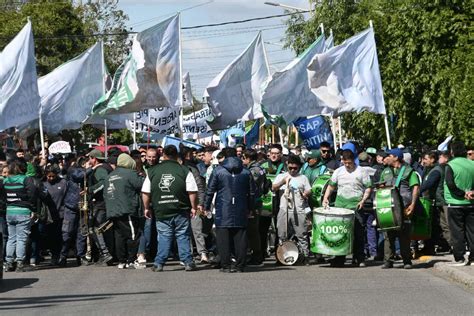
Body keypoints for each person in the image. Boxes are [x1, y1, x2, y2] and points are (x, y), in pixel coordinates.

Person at [142, 145, 198, 272]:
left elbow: (145, 192)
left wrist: (146, 208)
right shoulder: (184, 170)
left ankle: (159, 263)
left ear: (163, 155)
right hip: (180, 208)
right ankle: (187, 261)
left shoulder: (152, 171)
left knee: (164, 236)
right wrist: (194, 207)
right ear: (176, 155)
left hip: (161, 208)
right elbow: (192, 191)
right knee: (182, 235)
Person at [204, 147, 256, 272]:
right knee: (240, 237)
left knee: (223, 238)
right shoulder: (245, 171)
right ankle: (240, 265)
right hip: (241, 206)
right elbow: (252, 192)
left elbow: (210, 190)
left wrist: (206, 206)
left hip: (223, 207)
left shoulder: (218, 171)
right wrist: (251, 207)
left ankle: (226, 265)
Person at [323, 149, 372, 267]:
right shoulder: (338, 172)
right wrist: (326, 198)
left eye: (349, 163)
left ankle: (359, 258)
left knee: (358, 233)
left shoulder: (362, 172)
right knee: (341, 233)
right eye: (345, 163)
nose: (347, 165)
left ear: (353, 160)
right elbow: (331, 186)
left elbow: (368, 187)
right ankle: (339, 258)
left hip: (356, 206)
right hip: (341, 206)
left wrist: (363, 200)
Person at [379, 148, 420, 269]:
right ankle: (388, 260)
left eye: (388, 156)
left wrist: (413, 204)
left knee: (404, 235)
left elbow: (415, 187)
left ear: (396, 157)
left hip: (404, 207)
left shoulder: (409, 171)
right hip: (388, 207)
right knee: (388, 234)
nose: (385, 158)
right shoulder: (385, 171)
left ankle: (407, 260)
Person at [104, 153, 144, 269]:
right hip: (127, 209)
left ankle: (121, 261)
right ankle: (131, 260)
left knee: (119, 236)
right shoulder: (130, 174)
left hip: (113, 210)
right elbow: (141, 184)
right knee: (133, 235)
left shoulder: (110, 176)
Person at [273, 155, 312, 265]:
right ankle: (281, 256)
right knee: (282, 234)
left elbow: (309, 190)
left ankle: (305, 256)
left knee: (302, 234)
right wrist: (283, 182)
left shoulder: (303, 178)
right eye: (290, 168)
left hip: (298, 209)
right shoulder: (282, 176)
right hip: (284, 209)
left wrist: (305, 194)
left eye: (295, 168)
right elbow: (273, 187)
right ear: (287, 166)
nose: (293, 170)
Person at [1, 160, 39, 272]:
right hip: (23, 211)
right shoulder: (25, 179)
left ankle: (8, 263)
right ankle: (20, 263)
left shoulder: (5, 181)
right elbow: (32, 194)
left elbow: (3, 196)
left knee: (11, 238)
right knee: (21, 238)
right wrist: (33, 208)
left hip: (9, 212)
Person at [443, 141, 474, 266]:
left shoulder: (450, 165)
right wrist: (470, 192)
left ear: (452, 152)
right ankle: (473, 258)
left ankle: (459, 257)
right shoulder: (472, 164)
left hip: (454, 202)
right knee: (472, 231)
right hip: (471, 202)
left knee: (457, 232)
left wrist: (462, 193)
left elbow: (450, 184)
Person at [86, 149, 114, 265]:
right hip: (105, 203)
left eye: (90, 158)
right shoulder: (106, 167)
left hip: (101, 204)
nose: (88, 160)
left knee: (95, 229)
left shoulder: (100, 169)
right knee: (104, 229)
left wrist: (90, 190)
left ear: (94, 158)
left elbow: (103, 183)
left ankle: (105, 253)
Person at [420, 151, 450, 254]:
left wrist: (417, 191)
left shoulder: (436, 170)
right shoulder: (429, 169)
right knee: (437, 225)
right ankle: (439, 245)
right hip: (435, 200)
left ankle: (450, 246)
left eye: (426, 159)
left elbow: (428, 184)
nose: (423, 161)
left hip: (440, 201)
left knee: (443, 225)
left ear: (432, 159)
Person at [242, 148, 268, 267]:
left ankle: (257, 256)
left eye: (243, 158)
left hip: (254, 203)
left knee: (253, 231)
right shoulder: (260, 168)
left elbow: (251, 187)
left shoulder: (254, 170)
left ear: (247, 158)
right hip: (256, 202)